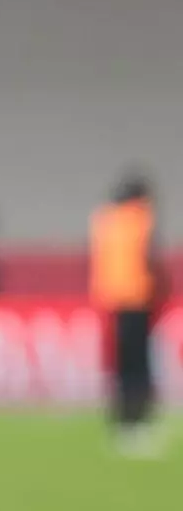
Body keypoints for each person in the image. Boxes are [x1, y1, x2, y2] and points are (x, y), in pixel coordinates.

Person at [89, 172, 167, 456]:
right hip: (137, 298)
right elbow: (148, 260)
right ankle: (137, 421)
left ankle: (121, 421)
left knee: (121, 364)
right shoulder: (140, 218)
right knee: (138, 365)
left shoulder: (105, 218)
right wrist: (161, 290)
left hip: (112, 300)